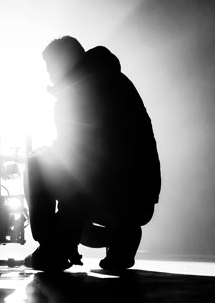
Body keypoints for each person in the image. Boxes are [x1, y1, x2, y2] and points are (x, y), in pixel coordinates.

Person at [24, 36, 161, 271]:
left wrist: (65, 233)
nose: (49, 75)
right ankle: (121, 236)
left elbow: (77, 162)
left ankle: (51, 247)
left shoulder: (76, 94)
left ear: (61, 63)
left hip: (105, 192)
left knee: (37, 162)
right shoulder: (117, 81)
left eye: (49, 68)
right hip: (140, 199)